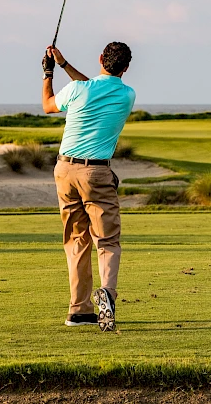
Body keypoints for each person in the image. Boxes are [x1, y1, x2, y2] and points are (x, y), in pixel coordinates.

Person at [41, 42, 136, 331]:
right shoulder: (127, 94)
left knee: (76, 240)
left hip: (64, 170)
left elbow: (48, 106)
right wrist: (64, 63)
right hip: (96, 173)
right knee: (106, 240)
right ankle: (106, 294)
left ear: (100, 59)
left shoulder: (78, 90)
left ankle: (79, 310)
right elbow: (94, 86)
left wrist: (49, 72)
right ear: (126, 68)